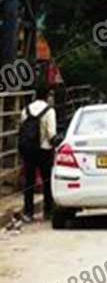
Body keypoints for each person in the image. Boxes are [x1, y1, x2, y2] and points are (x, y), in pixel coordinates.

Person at [19, 83, 57, 222]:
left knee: (29, 181)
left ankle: (28, 212)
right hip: (44, 150)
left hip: (29, 150)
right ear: (47, 96)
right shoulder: (49, 111)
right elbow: (51, 133)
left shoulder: (26, 110)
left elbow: (22, 129)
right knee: (47, 181)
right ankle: (48, 211)